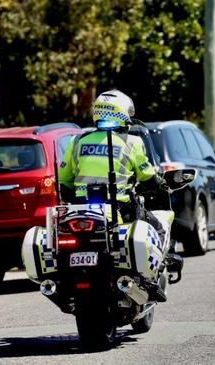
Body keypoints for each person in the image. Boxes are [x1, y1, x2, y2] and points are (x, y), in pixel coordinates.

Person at [58, 89, 167, 300]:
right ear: (123, 112)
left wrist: (75, 198)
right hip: (120, 208)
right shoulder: (132, 142)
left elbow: (63, 180)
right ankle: (150, 281)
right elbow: (147, 176)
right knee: (158, 228)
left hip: (82, 209)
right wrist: (160, 185)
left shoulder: (77, 141)